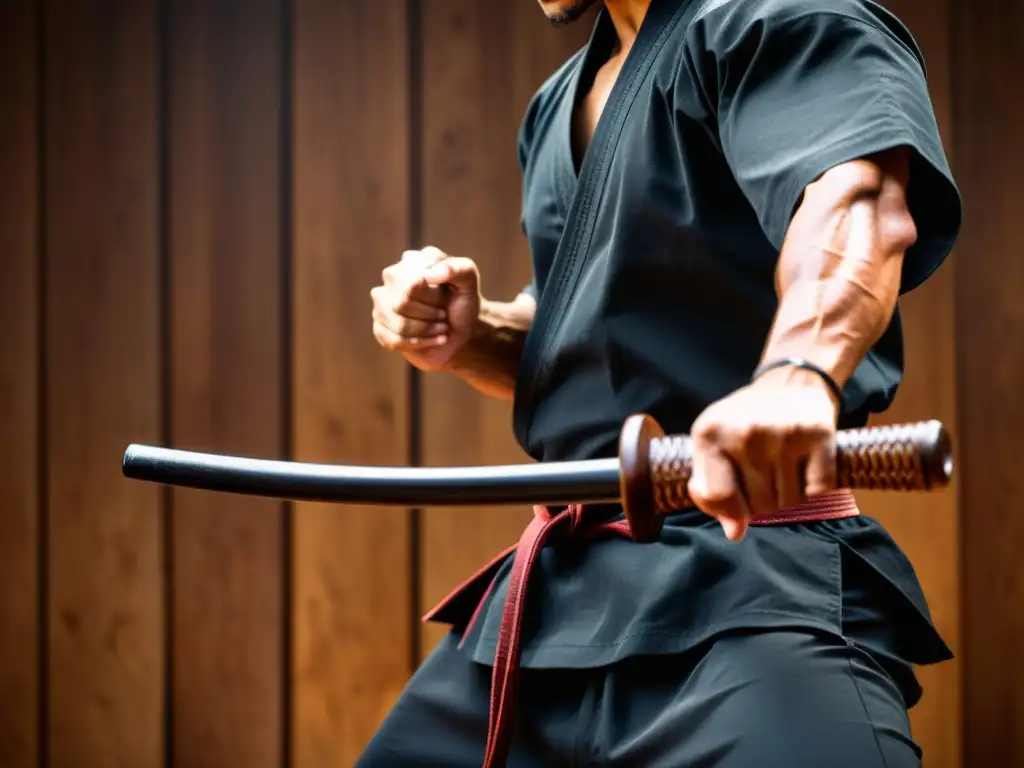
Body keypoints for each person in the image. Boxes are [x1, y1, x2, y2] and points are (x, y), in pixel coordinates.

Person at [362, 0, 962, 765]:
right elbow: (599, 345)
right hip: (557, 597)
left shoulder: (780, 16)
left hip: (750, 576)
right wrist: (475, 335)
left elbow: (856, 204)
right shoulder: (555, 104)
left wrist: (796, 372)